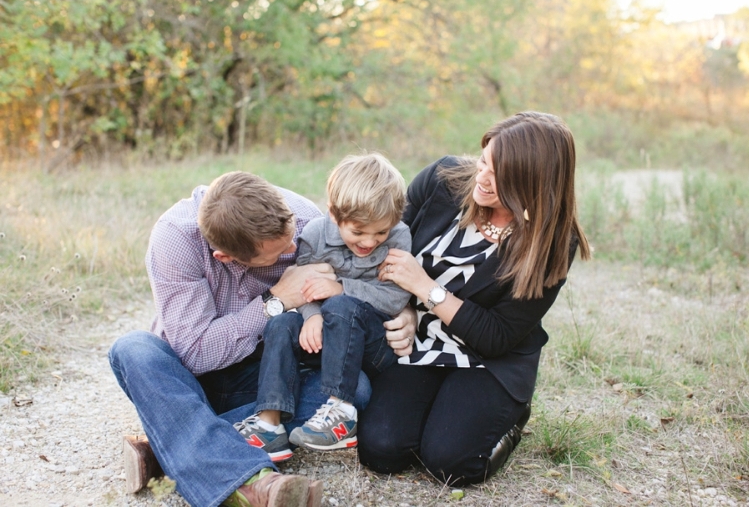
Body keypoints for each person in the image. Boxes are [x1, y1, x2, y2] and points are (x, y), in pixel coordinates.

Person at [357, 111, 591, 486]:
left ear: (533, 182)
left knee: (450, 464)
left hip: (489, 359)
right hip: (424, 342)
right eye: (485, 160)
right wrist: (406, 308)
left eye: (500, 175)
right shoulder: (442, 180)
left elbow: (496, 336)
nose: (482, 177)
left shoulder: (551, 242)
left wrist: (426, 290)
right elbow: (383, 247)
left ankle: (507, 422)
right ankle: (436, 415)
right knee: (381, 449)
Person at [108, 171, 369, 507]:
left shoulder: (305, 223)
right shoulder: (174, 239)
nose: (293, 248)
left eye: (290, 238)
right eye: (277, 253)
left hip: (268, 380)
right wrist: (275, 301)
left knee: (355, 389)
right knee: (133, 349)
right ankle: (249, 484)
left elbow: (349, 300)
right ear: (226, 257)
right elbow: (194, 353)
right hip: (191, 381)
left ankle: (170, 450)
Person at [234, 153, 412, 458]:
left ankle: (340, 413)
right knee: (281, 323)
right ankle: (270, 425)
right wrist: (312, 316)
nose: (370, 242)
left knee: (341, 305)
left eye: (380, 232)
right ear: (334, 214)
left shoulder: (399, 237)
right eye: (358, 231)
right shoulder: (314, 235)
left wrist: (340, 287)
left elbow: (396, 298)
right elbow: (304, 289)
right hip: (327, 342)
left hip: (372, 343)